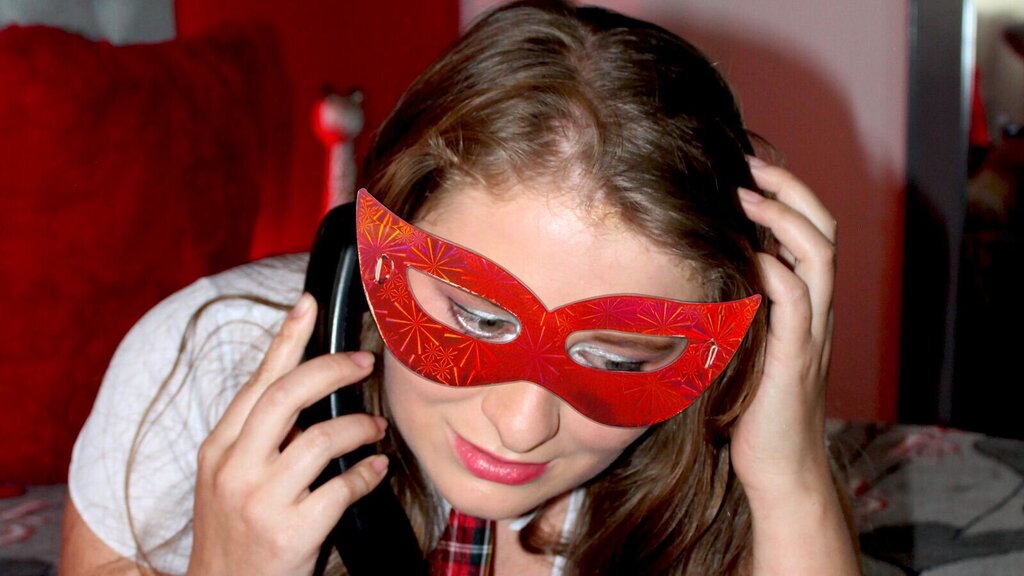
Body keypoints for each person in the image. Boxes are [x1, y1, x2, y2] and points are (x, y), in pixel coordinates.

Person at [60, 1, 858, 574]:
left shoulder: (710, 449)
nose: (521, 427)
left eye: (619, 361)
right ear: (366, 257)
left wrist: (790, 478)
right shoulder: (202, 364)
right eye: (474, 318)